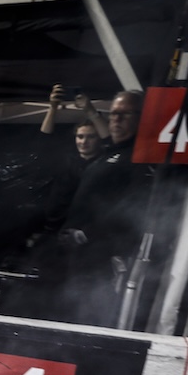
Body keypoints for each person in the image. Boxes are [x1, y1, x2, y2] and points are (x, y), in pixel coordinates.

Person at [58, 89, 152, 325]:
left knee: (92, 319)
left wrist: (87, 234)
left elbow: (133, 211)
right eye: (113, 114)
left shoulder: (138, 159)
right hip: (79, 257)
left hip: (103, 259)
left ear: (142, 118)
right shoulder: (108, 154)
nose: (116, 120)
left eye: (125, 114)